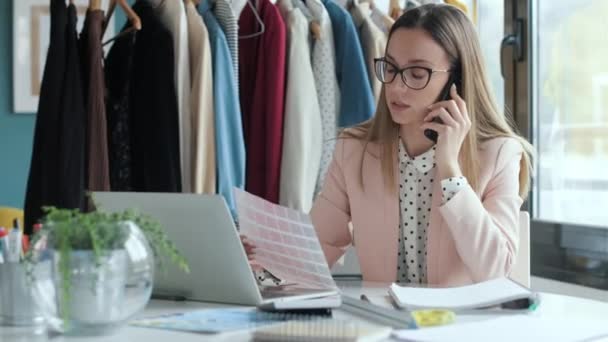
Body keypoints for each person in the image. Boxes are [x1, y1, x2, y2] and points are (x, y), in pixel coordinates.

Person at [242, 3, 534, 287]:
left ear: (456, 80)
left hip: (463, 329)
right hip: (387, 327)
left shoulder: (499, 153)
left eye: (417, 74)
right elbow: (318, 248)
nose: (396, 87)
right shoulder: (354, 151)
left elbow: (496, 270)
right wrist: (258, 266)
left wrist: (450, 169)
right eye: (391, 69)